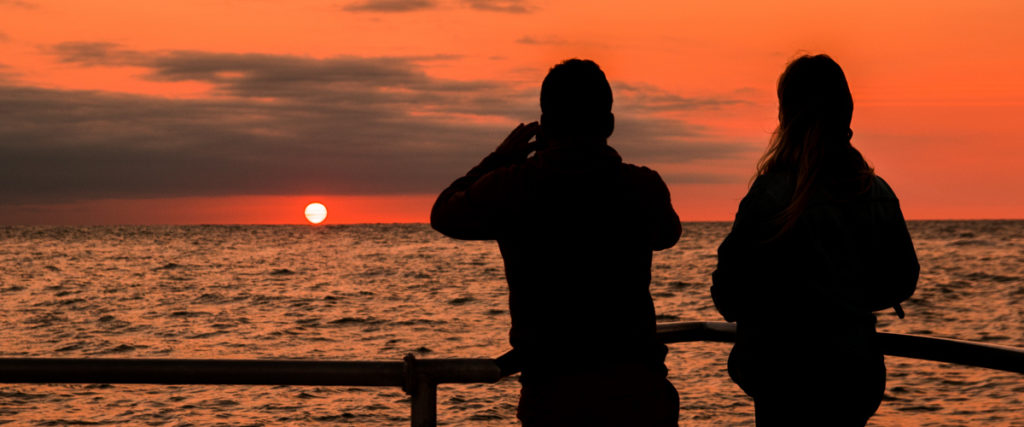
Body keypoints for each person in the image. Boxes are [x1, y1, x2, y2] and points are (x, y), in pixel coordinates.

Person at [432, 59, 682, 426]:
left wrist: (499, 158)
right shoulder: (642, 187)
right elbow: (668, 234)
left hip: (553, 398)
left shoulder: (512, 185)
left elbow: (444, 214)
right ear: (609, 125)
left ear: (545, 126)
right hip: (638, 393)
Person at [710, 54, 919, 426]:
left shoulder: (771, 194)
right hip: (854, 376)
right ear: (847, 114)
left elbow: (729, 294)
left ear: (785, 116)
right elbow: (902, 279)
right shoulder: (877, 192)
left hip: (783, 379)